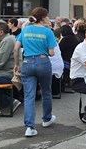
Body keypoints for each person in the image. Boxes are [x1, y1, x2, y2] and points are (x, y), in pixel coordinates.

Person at [14, 8, 58, 137]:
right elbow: (51, 52)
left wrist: (17, 64)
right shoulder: (48, 32)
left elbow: (16, 49)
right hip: (43, 62)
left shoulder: (25, 30)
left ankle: (29, 127)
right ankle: (46, 118)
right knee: (46, 92)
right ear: (44, 17)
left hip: (27, 62)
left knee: (29, 96)